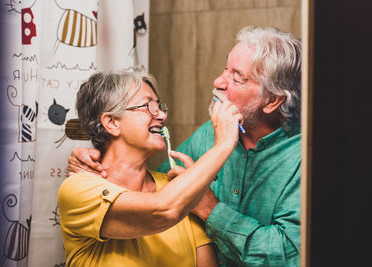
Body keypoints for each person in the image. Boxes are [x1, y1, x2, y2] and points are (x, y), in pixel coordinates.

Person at [67, 26, 302, 266]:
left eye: (237, 77)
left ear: (272, 100)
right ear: (110, 122)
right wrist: (93, 159)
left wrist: (209, 207)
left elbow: (293, 255)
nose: (218, 82)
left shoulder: (305, 159)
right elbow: (149, 185)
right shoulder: (208, 137)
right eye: (225, 68)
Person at [58, 70, 243, 266]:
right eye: (149, 107)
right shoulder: (77, 190)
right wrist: (224, 143)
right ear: (111, 123)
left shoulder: (177, 189)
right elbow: (163, 211)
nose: (162, 115)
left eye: (159, 106)